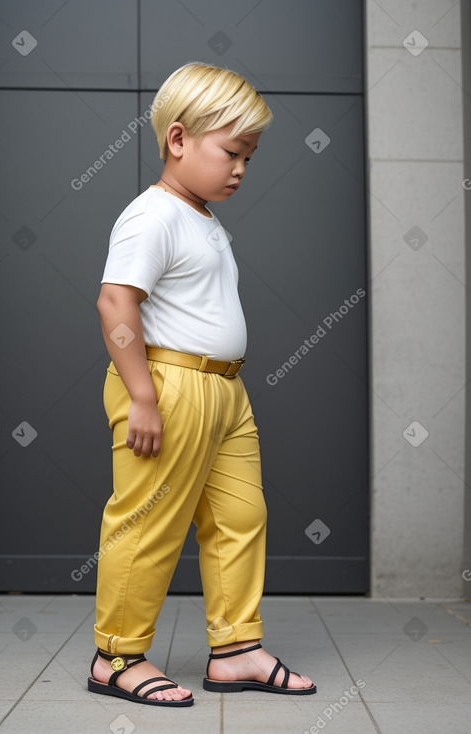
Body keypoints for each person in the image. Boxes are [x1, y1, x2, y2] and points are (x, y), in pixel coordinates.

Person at [87, 61, 317, 707]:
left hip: (224, 392)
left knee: (240, 517)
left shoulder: (202, 219)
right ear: (179, 140)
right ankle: (116, 657)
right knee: (148, 523)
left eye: (250, 155)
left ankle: (236, 649)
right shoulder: (151, 215)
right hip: (166, 384)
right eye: (231, 152)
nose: (241, 168)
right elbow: (114, 304)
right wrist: (140, 396)